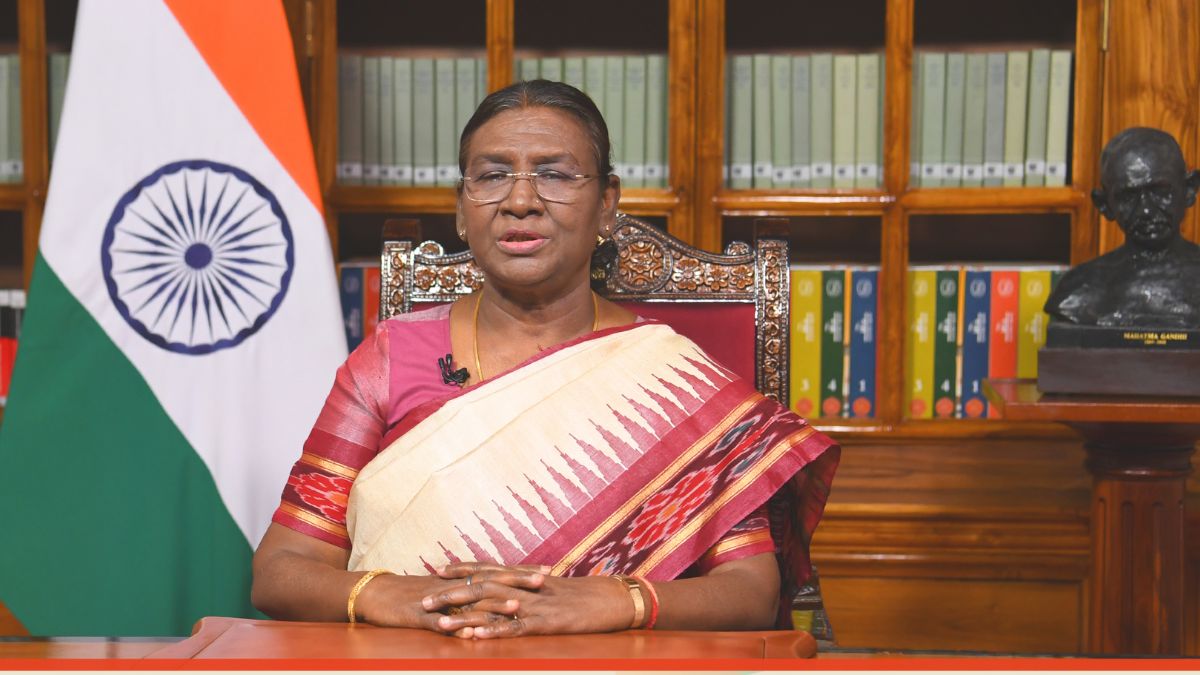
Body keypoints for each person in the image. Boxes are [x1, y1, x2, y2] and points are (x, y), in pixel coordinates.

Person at [251, 80, 839, 639]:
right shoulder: (389, 359)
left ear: (607, 205)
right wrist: (391, 595)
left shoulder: (678, 383)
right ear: (461, 210)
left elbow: (749, 591)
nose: (520, 201)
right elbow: (281, 570)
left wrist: (613, 602)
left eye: (555, 174)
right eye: (492, 176)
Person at [1045, 127, 1200, 328]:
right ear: (1104, 205)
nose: (1146, 210)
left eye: (1160, 191)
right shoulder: (1077, 291)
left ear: (1189, 190)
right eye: (1128, 197)